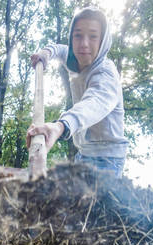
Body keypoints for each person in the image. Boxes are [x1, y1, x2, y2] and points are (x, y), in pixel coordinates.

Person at [26, 7, 128, 178]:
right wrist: (46, 53)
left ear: (102, 41)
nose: (84, 44)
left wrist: (61, 125)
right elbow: (60, 49)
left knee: (88, 204)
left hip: (107, 159)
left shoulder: (106, 74)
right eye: (78, 35)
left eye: (93, 36)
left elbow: (93, 104)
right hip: (84, 153)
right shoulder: (74, 59)